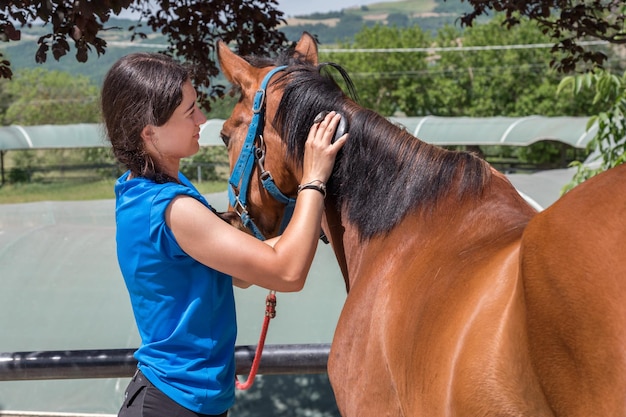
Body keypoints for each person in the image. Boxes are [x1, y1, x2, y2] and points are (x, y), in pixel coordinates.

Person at [100, 52, 347, 417]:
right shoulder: (173, 209)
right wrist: (313, 179)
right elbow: (287, 273)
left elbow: (241, 271)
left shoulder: (144, 189)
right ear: (149, 132)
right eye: (189, 112)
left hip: (185, 400)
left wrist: (308, 226)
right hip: (173, 405)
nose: (202, 119)